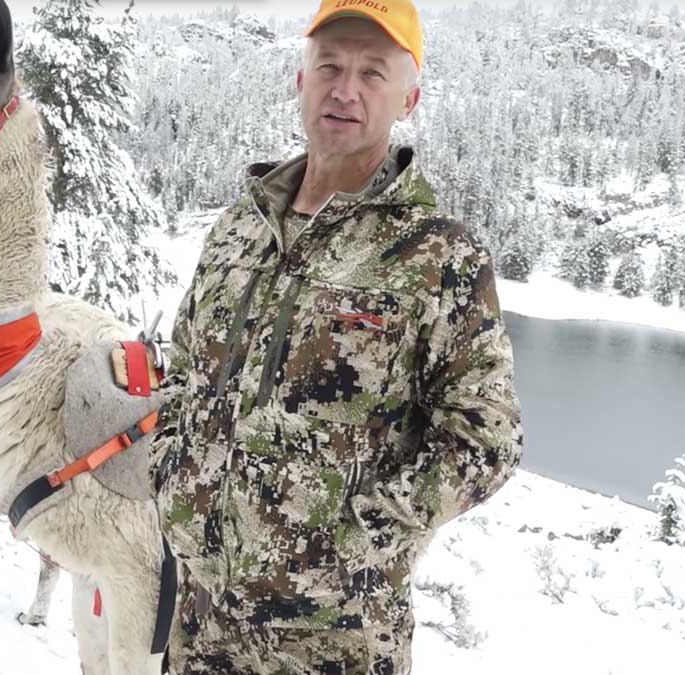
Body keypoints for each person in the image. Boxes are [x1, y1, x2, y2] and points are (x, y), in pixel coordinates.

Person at [150, 0, 524, 672]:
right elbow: (184, 365)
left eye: (372, 72)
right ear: (302, 80)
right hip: (202, 627)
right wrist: (171, 467)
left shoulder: (436, 255)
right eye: (330, 65)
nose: (345, 89)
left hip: (335, 645)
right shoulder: (243, 225)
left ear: (408, 96)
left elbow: (486, 440)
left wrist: (363, 537)